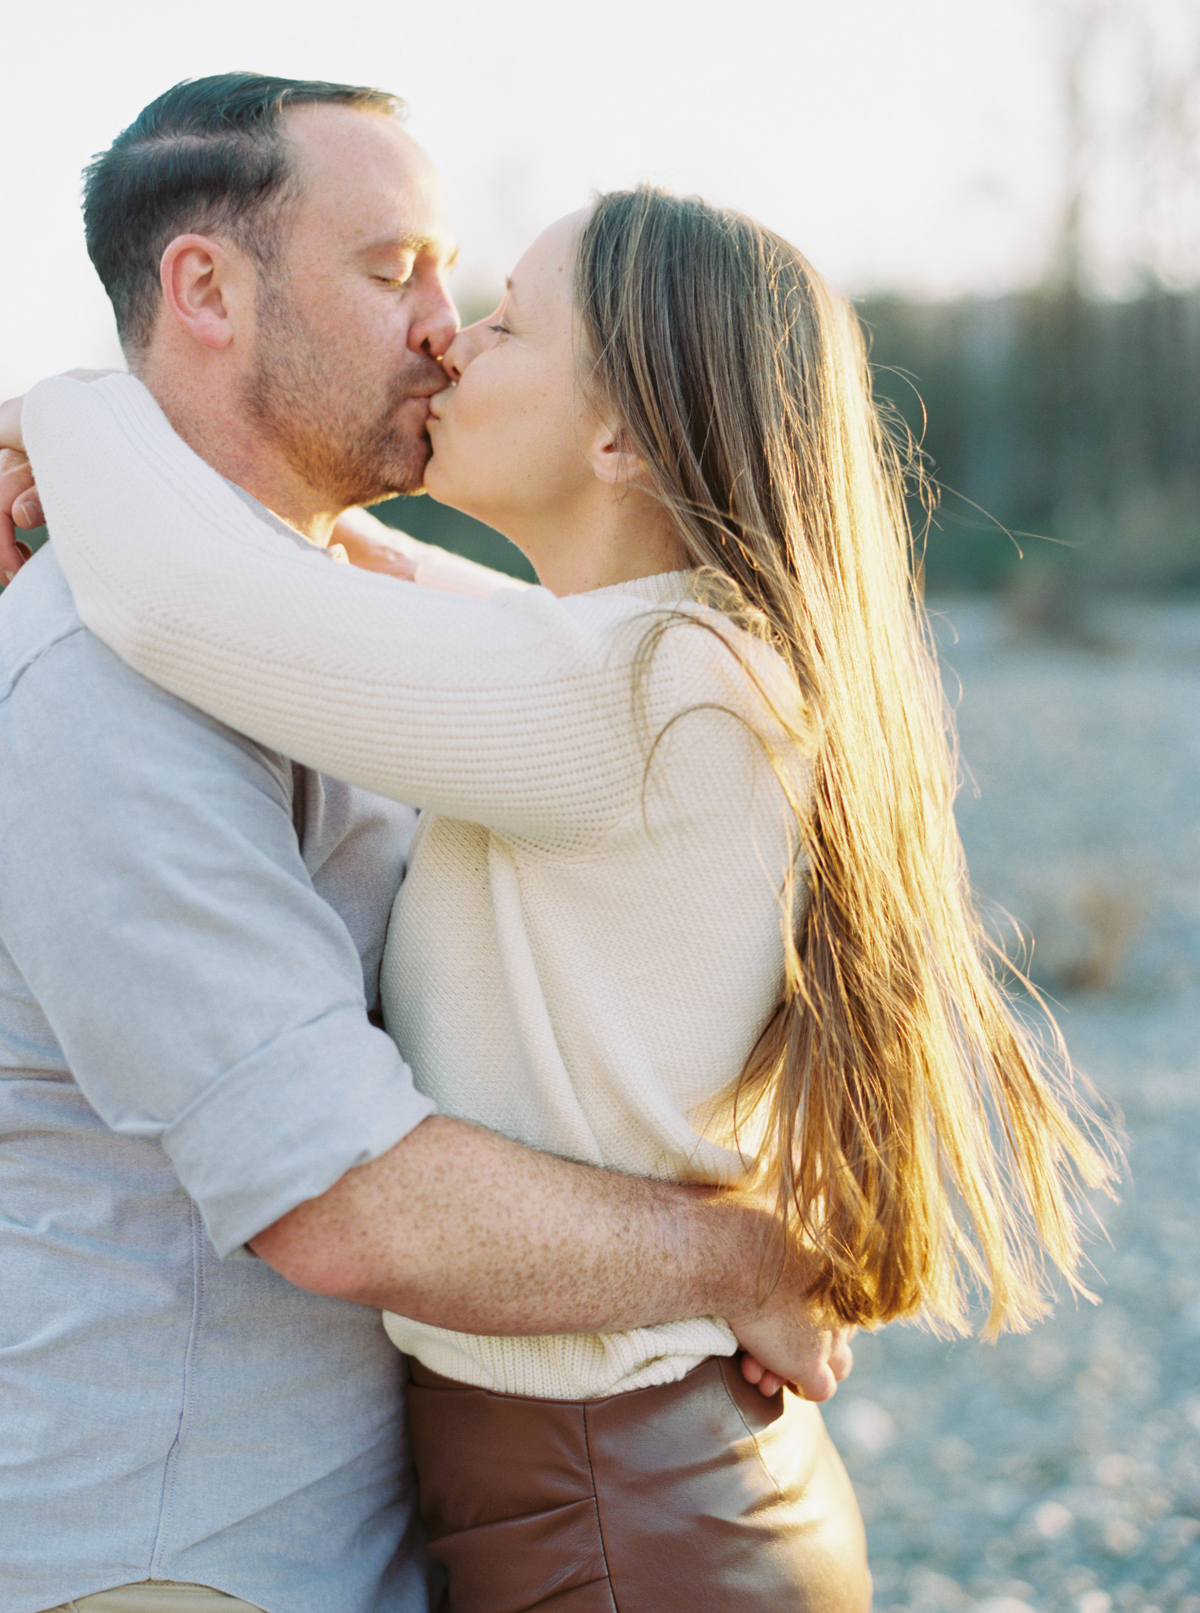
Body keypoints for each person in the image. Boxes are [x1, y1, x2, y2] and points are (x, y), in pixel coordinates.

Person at [13, 180, 1117, 1607]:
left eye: (510, 323)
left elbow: (191, 600)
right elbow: (369, 598)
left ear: (618, 434)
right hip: (627, 1486)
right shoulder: (669, 661)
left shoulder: (638, 702)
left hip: (608, 1513)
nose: (457, 345)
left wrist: (66, 412)